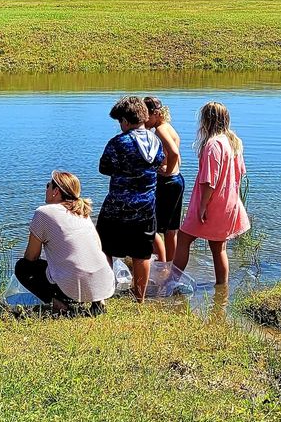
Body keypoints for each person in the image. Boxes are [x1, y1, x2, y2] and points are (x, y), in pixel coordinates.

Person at [15, 171, 114, 315]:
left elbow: (31, 257)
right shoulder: (82, 212)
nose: (46, 188)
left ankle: (60, 304)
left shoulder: (43, 212)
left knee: (23, 267)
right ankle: (98, 302)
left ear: (56, 191)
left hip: (76, 285)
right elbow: (97, 248)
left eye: (48, 185)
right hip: (104, 283)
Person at [173, 101, 249, 286]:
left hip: (211, 203)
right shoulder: (233, 142)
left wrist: (202, 207)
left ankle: (171, 283)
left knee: (183, 239)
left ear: (207, 120)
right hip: (228, 201)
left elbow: (209, 181)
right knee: (218, 248)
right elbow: (240, 174)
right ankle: (221, 290)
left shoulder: (213, 145)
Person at [97, 96, 163, 301]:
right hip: (146, 207)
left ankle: (104, 292)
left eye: (120, 121)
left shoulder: (119, 142)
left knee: (104, 247)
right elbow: (159, 164)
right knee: (142, 253)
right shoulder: (156, 141)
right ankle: (139, 297)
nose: (120, 126)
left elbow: (104, 168)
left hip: (117, 207)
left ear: (125, 120)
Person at [144, 96, 185, 263]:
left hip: (168, 182)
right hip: (177, 180)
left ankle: (163, 263)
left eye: (146, 116)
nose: (144, 121)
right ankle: (170, 267)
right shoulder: (168, 127)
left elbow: (174, 153)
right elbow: (176, 153)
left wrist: (167, 170)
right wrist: (174, 168)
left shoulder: (160, 130)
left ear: (156, 114)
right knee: (171, 229)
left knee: (153, 226)